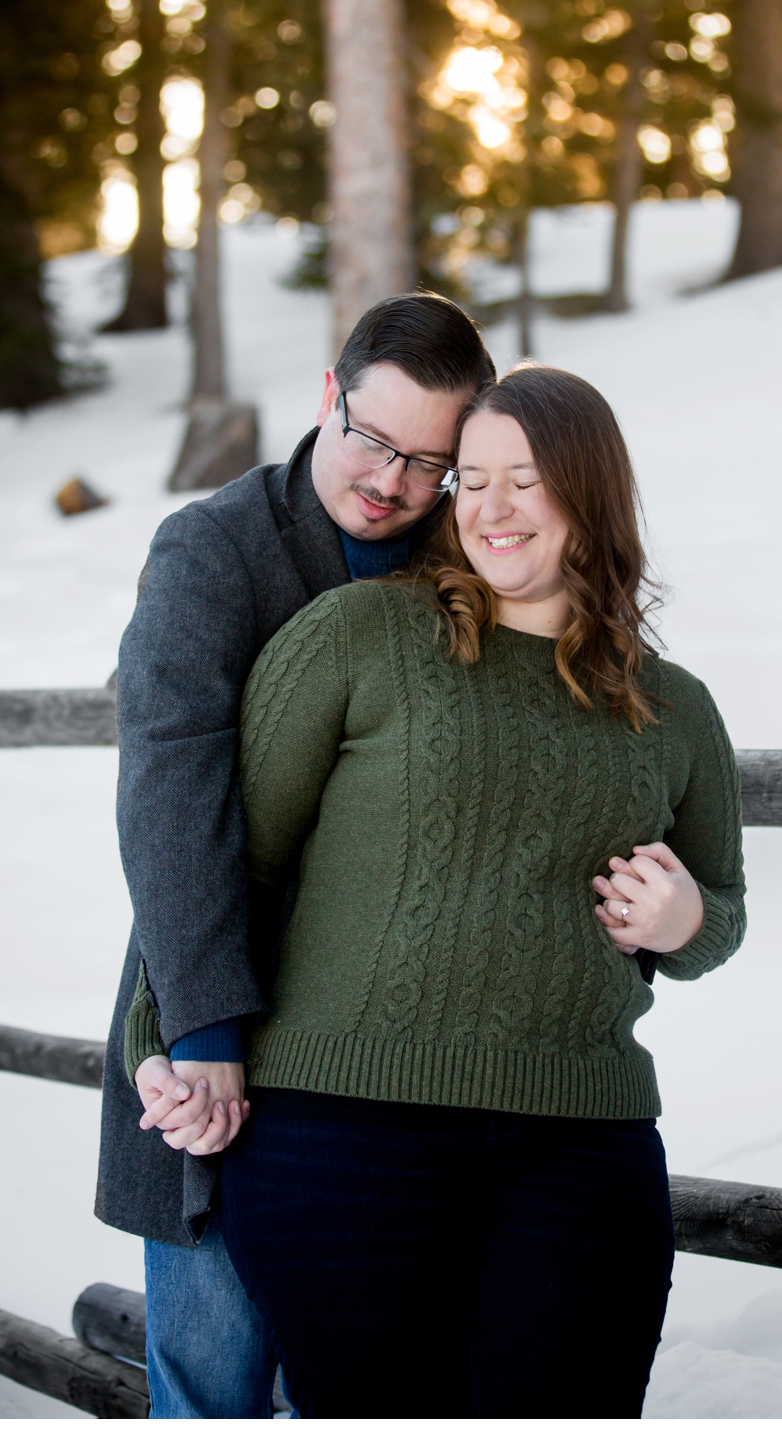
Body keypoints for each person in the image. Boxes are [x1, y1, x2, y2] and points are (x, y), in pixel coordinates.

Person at [166, 362, 746, 1418]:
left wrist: (689, 920)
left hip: (579, 1139)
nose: (491, 507)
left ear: (592, 492)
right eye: (470, 478)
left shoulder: (675, 706)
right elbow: (223, 858)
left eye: (525, 478)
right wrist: (163, 1039)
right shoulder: (360, 636)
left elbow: (721, 908)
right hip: (338, 1139)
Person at [97, 292, 497, 1418]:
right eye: (373, 440)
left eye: (431, 462)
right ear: (329, 398)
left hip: (399, 1043)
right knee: (217, 1370)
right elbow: (169, 789)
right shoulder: (213, 548)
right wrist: (206, 1029)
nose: (393, 483)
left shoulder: (468, 558)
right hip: (223, 1016)